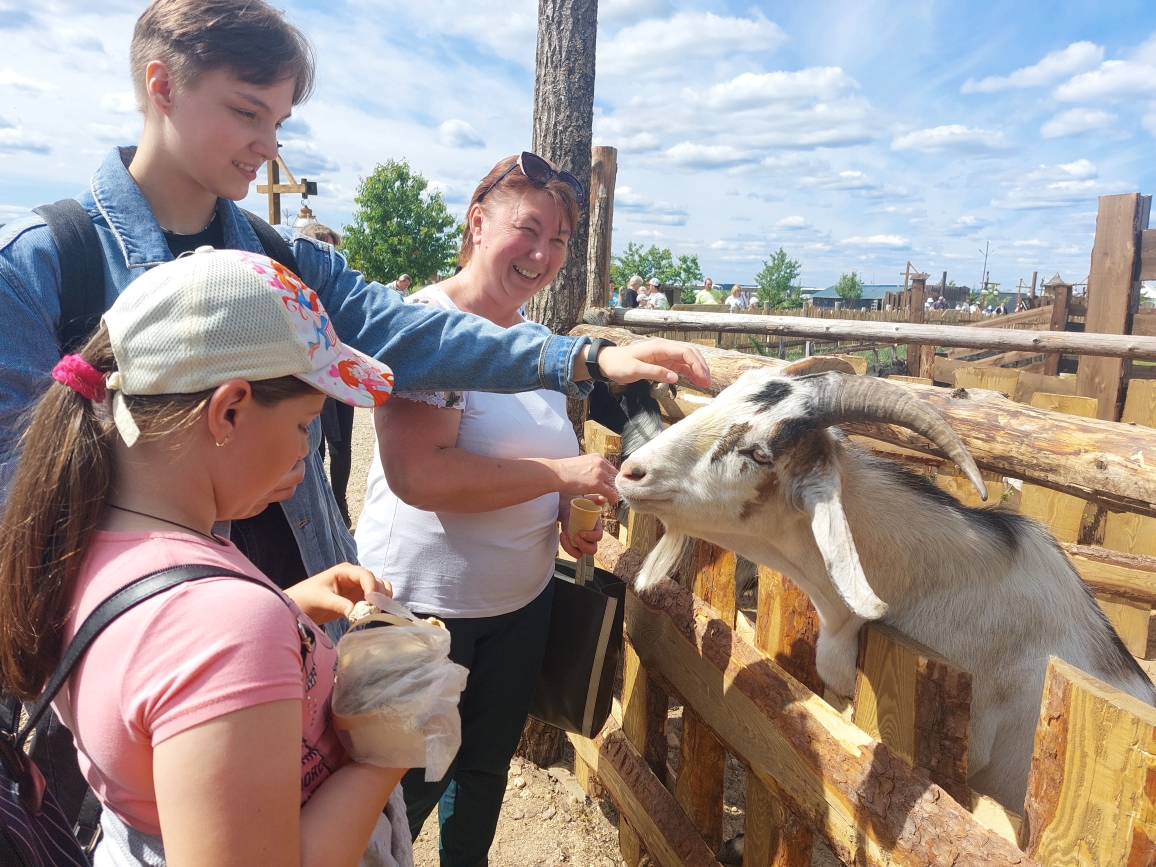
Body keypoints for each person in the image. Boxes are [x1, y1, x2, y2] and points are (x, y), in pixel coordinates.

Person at [0, 0, 709, 599]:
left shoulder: (284, 259)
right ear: (162, 85)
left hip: (295, 594)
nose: (266, 146)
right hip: (144, 636)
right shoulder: (42, 266)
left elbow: (410, 331)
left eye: (277, 123)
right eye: (248, 112)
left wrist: (582, 356)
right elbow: (21, 516)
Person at [0, 248, 414, 866]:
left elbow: (152, 669)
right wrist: (394, 742)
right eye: (305, 425)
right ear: (228, 410)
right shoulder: (220, 625)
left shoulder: (84, 540)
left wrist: (285, 609)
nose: (307, 452)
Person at [354, 155, 612, 866]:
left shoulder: (532, 342)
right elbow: (421, 474)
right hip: (420, 610)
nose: (543, 254)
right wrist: (560, 472)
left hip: (518, 605)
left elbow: (531, 450)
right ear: (477, 223)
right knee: (397, 789)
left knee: (483, 771)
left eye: (559, 240)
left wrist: (566, 499)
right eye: (528, 229)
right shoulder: (426, 326)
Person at [298, 222, 355, 526]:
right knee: (313, 444)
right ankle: (320, 510)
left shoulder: (341, 290)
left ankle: (340, 502)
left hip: (342, 371)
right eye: (326, 248)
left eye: (335, 249)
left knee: (342, 442)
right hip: (310, 374)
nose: (332, 256)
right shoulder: (296, 291)